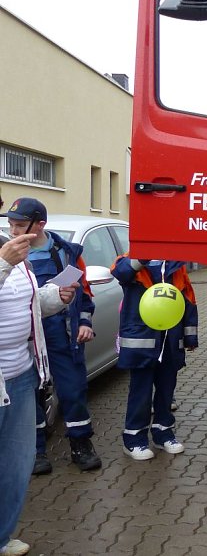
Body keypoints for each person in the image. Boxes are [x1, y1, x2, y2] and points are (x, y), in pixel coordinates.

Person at [3, 197, 101, 475]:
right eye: (10, 224)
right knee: (29, 394)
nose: (13, 232)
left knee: (73, 390)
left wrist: (84, 321)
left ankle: (81, 446)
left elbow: (84, 292)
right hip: (27, 336)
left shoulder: (67, 252)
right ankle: (35, 452)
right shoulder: (7, 254)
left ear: (40, 224)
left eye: (20, 225)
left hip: (62, 334)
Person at [1, 226, 77, 556]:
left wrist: (52, 297)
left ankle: (2, 536)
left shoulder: (8, 245)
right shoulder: (7, 255)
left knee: (16, 464)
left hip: (19, 375)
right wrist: (3, 265)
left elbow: (24, 303)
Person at [111, 256, 198, 460]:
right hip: (142, 342)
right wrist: (141, 257)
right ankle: (133, 439)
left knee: (167, 390)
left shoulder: (176, 265)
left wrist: (190, 335)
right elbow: (120, 273)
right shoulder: (128, 262)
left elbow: (188, 299)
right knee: (140, 393)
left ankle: (164, 433)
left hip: (170, 340)